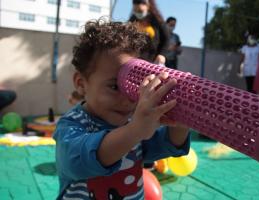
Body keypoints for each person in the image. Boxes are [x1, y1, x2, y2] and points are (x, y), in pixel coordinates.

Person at [53, 19, 190, 200]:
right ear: (81, 84)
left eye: (134, 87)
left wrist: (180, 121)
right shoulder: (71, 126)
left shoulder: (133, 122)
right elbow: (79, 160)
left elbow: (167, 144)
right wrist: (135, 130)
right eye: (115, 87)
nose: (127, 99)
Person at [129, 0, 169, 65]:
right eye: (137, 11)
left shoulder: (157, 19)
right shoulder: (132, 20)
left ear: (149, 5)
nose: (139, 5)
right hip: (135, 60)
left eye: (141, 11)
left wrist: (162, 55)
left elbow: (166, 39)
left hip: (153, 61)